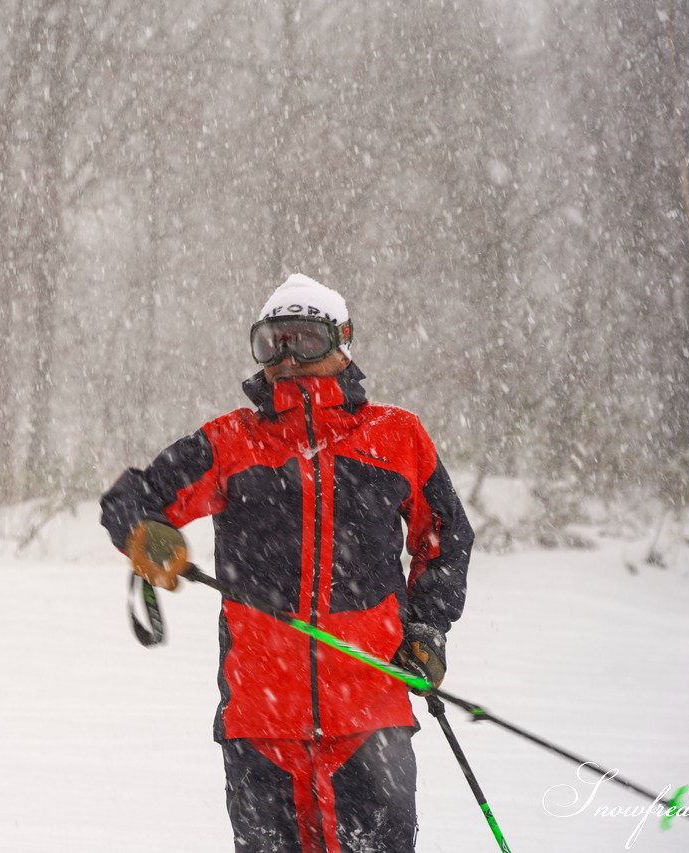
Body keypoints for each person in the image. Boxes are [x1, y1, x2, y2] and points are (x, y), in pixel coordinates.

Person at [101, 274, 473, 852]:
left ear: (342, 344)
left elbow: (444, 540)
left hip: (370, 716)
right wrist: (144, 534)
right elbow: (133, 499)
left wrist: (427, 629)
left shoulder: (397, 436)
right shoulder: (232, 442)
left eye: (305, 340)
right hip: (260, 722)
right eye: (271, 342)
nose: (287, 356)